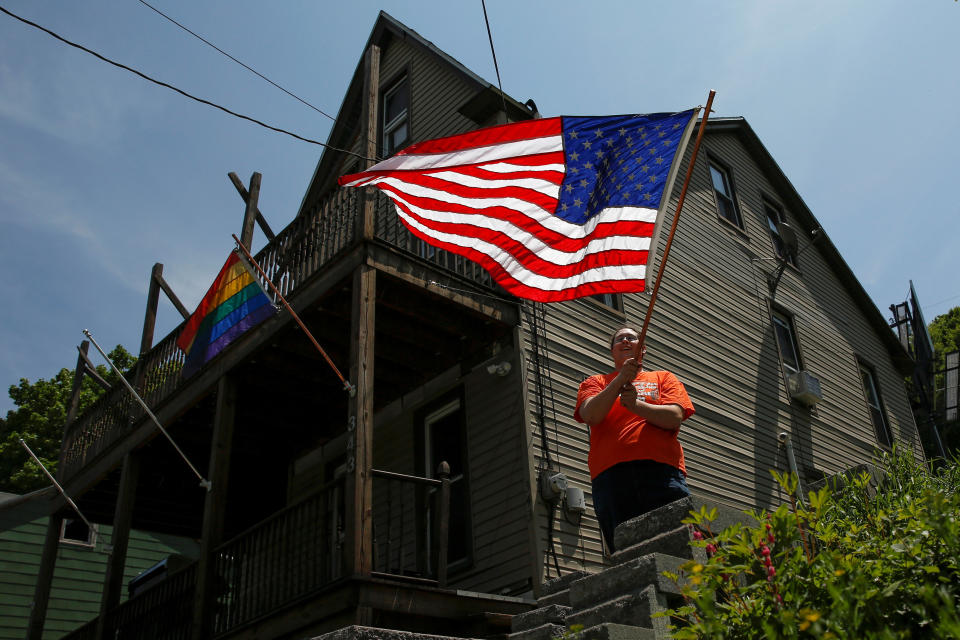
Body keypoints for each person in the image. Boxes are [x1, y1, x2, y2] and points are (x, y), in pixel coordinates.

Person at [574, 325, 695, 552]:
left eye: (632, 338)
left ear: (643, 349)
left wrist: (636, 405)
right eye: (619, 339)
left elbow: (675, 417)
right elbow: (590, 414)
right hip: (611, 477)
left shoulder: (663, 377)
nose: (626, 341)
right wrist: (620, 380)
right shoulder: (596, 382)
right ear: (612, 352)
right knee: (626, 550)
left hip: (662, 471)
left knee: (682, 544)